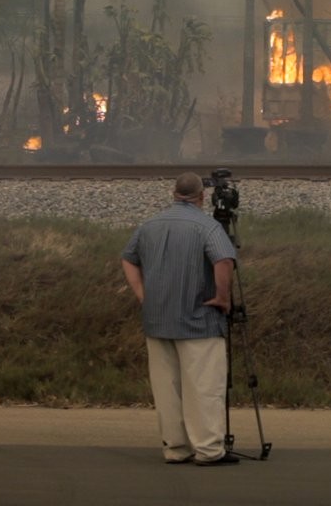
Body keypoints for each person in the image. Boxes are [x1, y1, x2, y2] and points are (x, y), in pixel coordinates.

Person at [120, 172, 239, 466]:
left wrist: (142, 295)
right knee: (203, 387)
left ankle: (175, 447)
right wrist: (223, 298)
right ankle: (209, 449)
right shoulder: (207, 227)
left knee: (167, 388)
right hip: (198, 320)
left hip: (158, 320)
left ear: (174, 193)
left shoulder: (150, 225)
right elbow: (224, 260)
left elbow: (128, 258)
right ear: (201, 197)